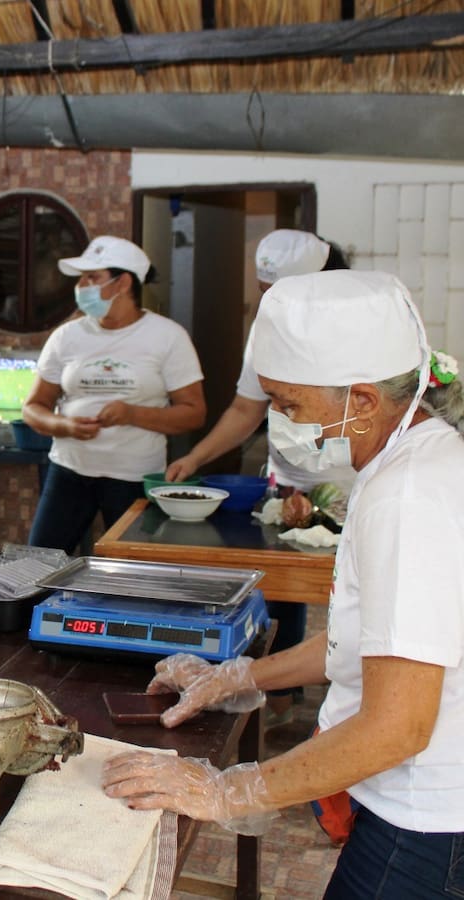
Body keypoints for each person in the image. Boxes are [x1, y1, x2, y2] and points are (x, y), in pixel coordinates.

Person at [102, 270, 464, 899]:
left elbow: (398, 726)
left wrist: (226, 791)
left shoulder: (409, 496)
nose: (280, 422)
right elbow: (365, 648)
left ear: (364, 401)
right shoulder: (414, 460)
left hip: (429, 825)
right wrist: (239, 676)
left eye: (290, 405)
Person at [166, 228, 350, 726]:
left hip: (353, 480)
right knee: (282, 586)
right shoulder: (266, 328)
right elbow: (247, 409)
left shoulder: (356, 325)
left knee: (351, 594)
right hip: (288, 476)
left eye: (278, 291)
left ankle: (353, 693)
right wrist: (197, 458)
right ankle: (281, 697)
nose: (268, 300)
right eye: (264, 289)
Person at [22, 235, 206, 555]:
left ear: (123, 283)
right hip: (68, 471)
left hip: (133, 478)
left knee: (129, 574)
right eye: (81, 279)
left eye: (92, 277)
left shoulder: (167, 336)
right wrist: (62, 426)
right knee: (38, 565)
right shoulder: (67, 336)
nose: (81, 286)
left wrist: (132, 414)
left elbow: (194, 412)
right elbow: (33, 408)